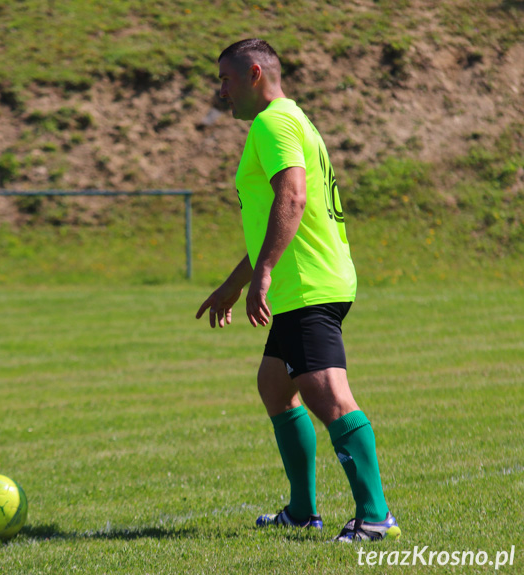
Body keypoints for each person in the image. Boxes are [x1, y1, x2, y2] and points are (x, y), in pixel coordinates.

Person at [196, 38, 400, 542]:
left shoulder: (273, 123)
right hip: (304, 280)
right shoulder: (293, 119)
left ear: (256, 74)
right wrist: (233, 284)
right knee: (274, 385)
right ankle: (303, 511)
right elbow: (277, 218)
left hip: (306, 281)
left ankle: (376, 517)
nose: (220, 91)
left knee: (325, 392)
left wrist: (264, 272)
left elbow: (292, 195)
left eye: (226, 79)